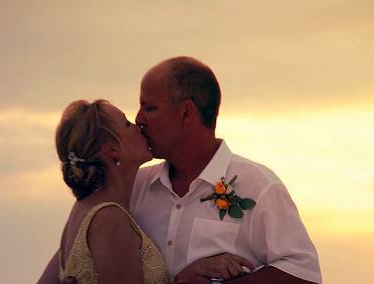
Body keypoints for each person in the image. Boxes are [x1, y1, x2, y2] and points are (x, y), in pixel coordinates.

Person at [130, 56, 322, 283]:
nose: (138, 119)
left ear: (186, 112)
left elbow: (303, 275)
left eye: (149, 108)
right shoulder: (135, 187)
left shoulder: (259, 186)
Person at [38, 100, 169, 283]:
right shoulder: (109, 218)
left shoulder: (82, 210)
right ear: (112, 150)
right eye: (126, 124)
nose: (138, 126)